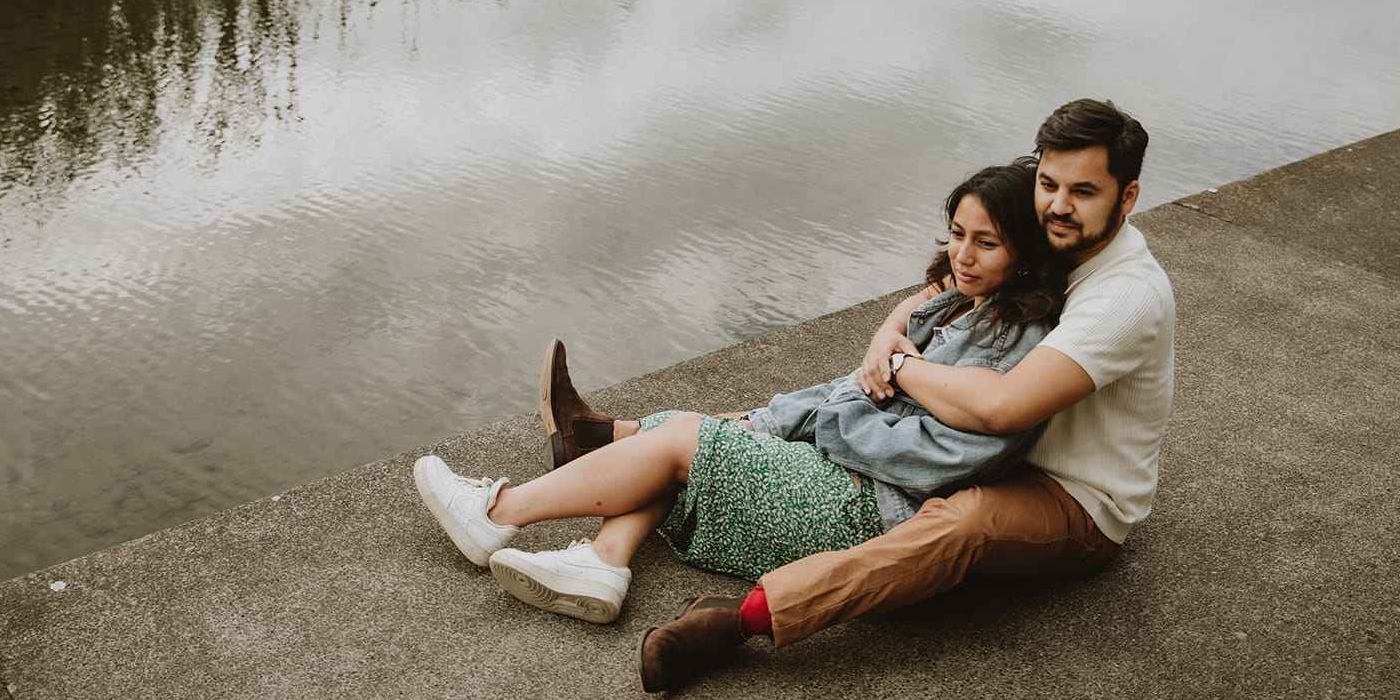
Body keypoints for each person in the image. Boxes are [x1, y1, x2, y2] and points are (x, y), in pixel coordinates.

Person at [629, 97, 1176, 692]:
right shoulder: (1052, 236)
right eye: (1048, 183)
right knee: (821, 407)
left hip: (1071, 495)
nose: (1058, 206)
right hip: (989, 451)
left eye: (1084, 191)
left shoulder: (1125, 295)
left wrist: (895, 363)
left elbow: (1003, 406)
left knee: (963, 524)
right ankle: (625, 443)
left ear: (1127, 196)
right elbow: (937, 289)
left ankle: (741, 620)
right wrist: (887, 334)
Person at [412, 160, 1068, 633]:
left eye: (986, 241)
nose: (964, 253)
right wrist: (879, 346)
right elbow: (879, 358)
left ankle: (499, 512)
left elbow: (946, 455)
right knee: (679, 427)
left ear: (1024, 250)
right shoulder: (960, 302)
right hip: (847, 478)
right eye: (957, 233)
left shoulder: (1018, 339)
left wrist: (841, 411)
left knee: (684, 439)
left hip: (872, 509)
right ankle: (604, 560)